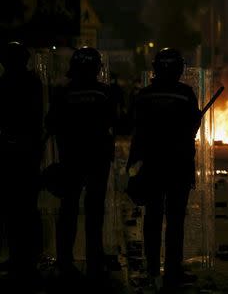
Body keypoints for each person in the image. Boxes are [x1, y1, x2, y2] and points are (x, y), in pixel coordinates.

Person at [127, 48, 201, 288]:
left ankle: (151, 269)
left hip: (152, 166)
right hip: (178, 166)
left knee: (153, 217)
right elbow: (192, 129)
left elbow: (137, 132)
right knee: (176, 220)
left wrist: (133, 165)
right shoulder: (186, 94)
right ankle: (172, 270)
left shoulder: (145, 95)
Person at [45, 47, 117, 280]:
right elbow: (116, 122)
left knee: (68, 210)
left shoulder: (63, 93)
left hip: (71, 159)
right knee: (95, 212)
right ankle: (95, 263)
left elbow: (51, 124)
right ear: (97, 68)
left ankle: (65, 263)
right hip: (97, 160)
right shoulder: (105, 93)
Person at [0, 42, 43, 284]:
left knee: (16, 209)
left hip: (14, 151)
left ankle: (22, 259)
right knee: (25, 208)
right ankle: (26, 259)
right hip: (25, 151)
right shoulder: (31, 82)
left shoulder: (9, 83)